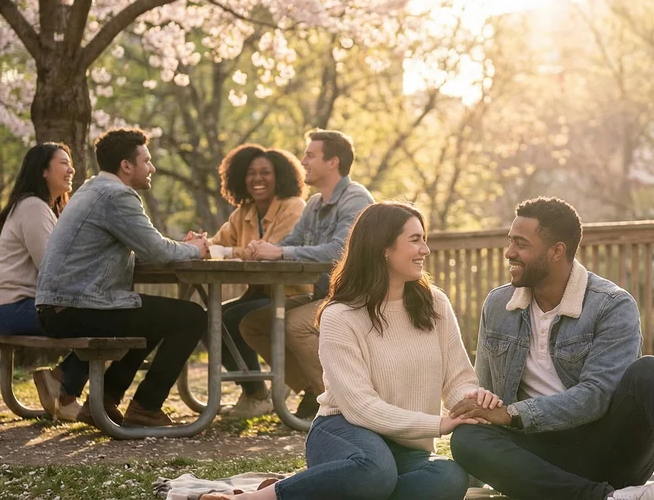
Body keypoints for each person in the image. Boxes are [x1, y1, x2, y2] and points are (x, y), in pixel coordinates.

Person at [449, 198, 654, 500]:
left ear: (556, 251)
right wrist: (483, 446)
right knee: (466, 438)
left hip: (609, 452)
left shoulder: (611, 305)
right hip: (539, 458)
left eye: (521, 244)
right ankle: (605, 498)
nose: (509, 252)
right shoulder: (498, 305)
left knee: (649, 370)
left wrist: (513, 414)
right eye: (510, 241)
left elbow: (596, 395)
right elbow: (489, 394)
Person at [201, 202, 498, 500]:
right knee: (373, 472)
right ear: (383, 247)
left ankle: (321, 490)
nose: (426, 249)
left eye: (425, 239)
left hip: (405, 446)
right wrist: (440, 423)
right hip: (344, 432)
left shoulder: (435, 304)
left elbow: (458, 378)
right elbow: (360, 407)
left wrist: (473, 404)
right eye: (415, 239)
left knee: (448, 477)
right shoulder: (340, 315)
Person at [35, 128, 211, 427]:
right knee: (192, 316)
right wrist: (193, 249)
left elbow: (146, 247)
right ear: (127, 166)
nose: (152, 168)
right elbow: (159, 251)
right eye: (147, 161)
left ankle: (102, 400)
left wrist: (183, 247)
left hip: (61, 306)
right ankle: (145, 406)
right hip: (75, 307)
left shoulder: (92, 189)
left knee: (153, 315)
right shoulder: (117, 195)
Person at [236, 129, 374, 420]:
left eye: (310, 155)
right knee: (253, 323)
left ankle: (343, 401)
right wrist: (264, 248)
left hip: (357, 298)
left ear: (333, 162)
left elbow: (339, 250)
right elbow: (291, 244)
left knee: (297, 323)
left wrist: (280, 253)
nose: (303, 161)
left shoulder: (355, 198)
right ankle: (315, 390)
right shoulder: (313, 204)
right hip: (325, 296)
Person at [195, 144, 307, 418]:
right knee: (207, 320)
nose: (258, 178)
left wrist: (223, 251)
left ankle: (258, 395)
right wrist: (199, 245)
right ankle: (255, 393)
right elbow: (218, 245)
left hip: (292, 293)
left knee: (233, 319)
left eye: (265, 172)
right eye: (251, 173)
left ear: (279, 176)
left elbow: (269, 251)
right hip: (260, 293)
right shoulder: (242, 212)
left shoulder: (293, 207)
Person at [0, 142, 85, 418]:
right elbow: (52, 269)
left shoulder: (43, 209)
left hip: (16, 306)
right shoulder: (33, 208)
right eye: (63, 162)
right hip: (11, 308)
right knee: (104, 320)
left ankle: (62, 386)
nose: (71, 168)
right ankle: (65, 390)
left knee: (104, 318)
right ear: (43, 171)